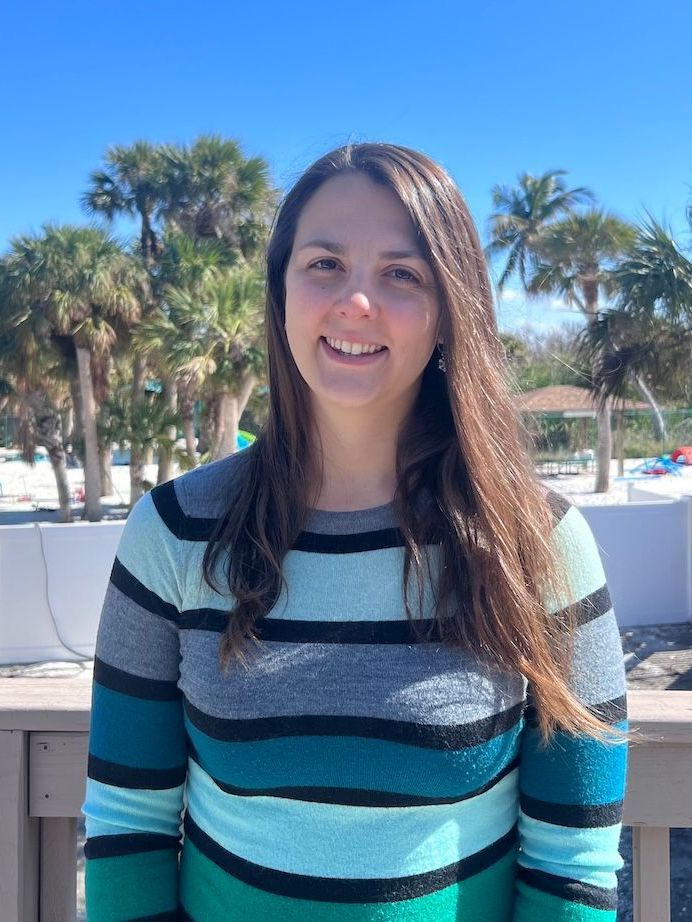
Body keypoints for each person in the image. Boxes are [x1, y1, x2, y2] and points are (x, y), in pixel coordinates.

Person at [81, 142, 629, 921]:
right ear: (281, 291)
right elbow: (128, 824)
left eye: (402, 274)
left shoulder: (539, 543)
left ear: (450, 312)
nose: (356, 301)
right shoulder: (173, 530)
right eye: (325, 264)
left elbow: (571, 860)